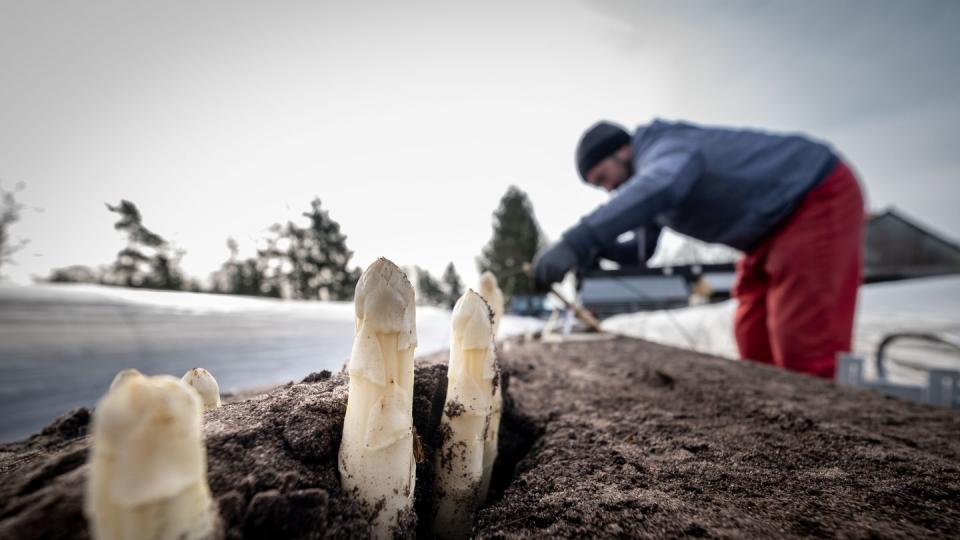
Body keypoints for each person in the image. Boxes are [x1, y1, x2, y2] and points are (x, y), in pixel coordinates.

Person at [532, 119, 864, 379]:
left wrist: (578, 241)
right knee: (753, 332)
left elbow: (662, 186)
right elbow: (642, 250)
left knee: (804, 341)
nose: (609, 190)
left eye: (603, 177)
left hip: (811, 197)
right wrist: (598, 251)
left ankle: (830, 451)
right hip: (764, 235)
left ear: (622, 151)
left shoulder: (666, 147)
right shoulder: (653, 179)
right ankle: (780, 428)